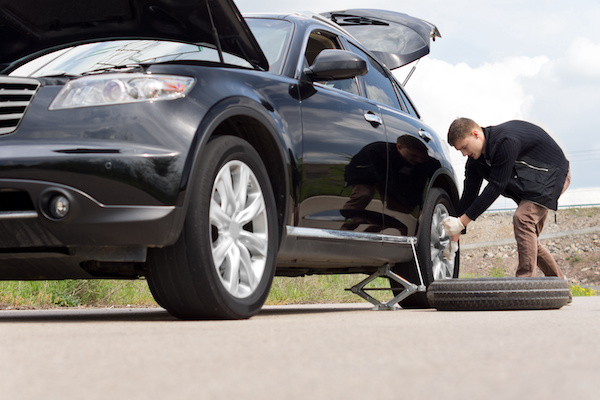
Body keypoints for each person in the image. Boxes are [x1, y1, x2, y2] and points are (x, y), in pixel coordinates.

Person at [441, 118, 571, 283]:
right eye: (460, 151)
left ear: (476, 134)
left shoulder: (505, 141)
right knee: (528, 240)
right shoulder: (475, 161)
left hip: (551, 174)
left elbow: (496, 186)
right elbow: (469, 195)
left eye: (465, 147)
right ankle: (561, 286)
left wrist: (461, 222)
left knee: (523, 220)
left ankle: (524, 284)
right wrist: (455, 237)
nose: (464, 154)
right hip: (530, 182)